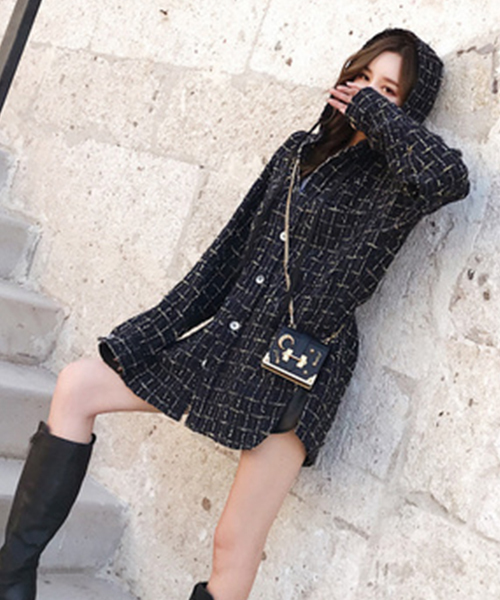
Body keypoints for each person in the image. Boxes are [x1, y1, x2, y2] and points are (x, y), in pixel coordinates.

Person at [0, 27, 469, 600]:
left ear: (407, 108)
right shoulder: (298, 152)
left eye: (389, 90)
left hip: (299, 368)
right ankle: (11, 581)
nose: (367, 93)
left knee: (233, 545)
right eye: (362, 77)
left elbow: (450, 177)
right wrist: (146, 335)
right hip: (233, 337)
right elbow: (224, 259)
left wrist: (375, 115)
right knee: (76, 386)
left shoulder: (399, 183)